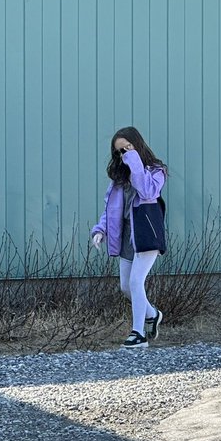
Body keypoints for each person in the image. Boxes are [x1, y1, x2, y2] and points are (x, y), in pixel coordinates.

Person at [91, 127, 167, 350]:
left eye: (128, 148)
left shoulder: (156, 171)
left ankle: (138, 334)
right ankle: (152, 315)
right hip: (125, 238)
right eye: (120, 151)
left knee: (136, 281)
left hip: (146, 236)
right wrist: (100, 230)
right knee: (126, 286)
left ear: (138, 145)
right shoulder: (118, 180)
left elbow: (147, 192)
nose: (124, 154)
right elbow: (110, 210)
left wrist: (134, 160)